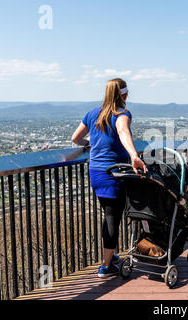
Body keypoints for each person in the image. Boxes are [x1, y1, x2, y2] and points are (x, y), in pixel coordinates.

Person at [71, 78, 146, 278]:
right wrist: (134, 156)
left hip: (95, 171)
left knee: (108, 215)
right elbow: (123, 131)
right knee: (113, 218)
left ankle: (110, 257)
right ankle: (106, 265)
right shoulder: (121, 114)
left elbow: (75, 139)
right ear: (125, 95)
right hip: (114, 173)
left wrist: (91, 145)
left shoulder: (92, 113)